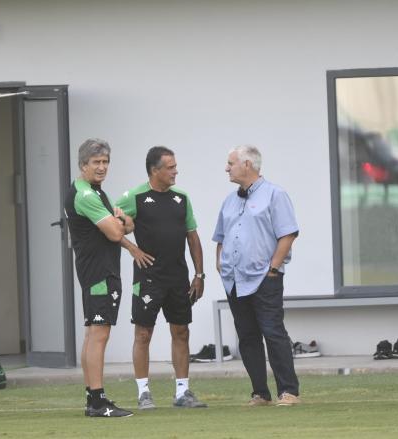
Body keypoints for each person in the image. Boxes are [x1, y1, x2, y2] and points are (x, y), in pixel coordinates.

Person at [116, 146, 207, 410]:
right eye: (170, 167)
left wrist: (199, 274)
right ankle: (144, 393)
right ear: (154, 171)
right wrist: (132, 248)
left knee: (181, 331)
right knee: (143, 333)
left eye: (175, 166)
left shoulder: (182, 198)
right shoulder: (135, 196)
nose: (175, 171)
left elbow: (193, 237)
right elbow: (106, 222)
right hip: (148, 277)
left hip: (178, 277)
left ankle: (183, 392)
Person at [212, 145, 301, 407]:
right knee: (247, 337)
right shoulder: (229, 200)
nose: (227, 168)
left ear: (247, 165)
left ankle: (289, 391)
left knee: (273, 333)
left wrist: (273, 268)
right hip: (234, 280)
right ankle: (260, 393)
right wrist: (220, 264)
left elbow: (288, 234)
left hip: (265, 278)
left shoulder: (275, 195)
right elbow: (220, 237)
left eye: (231, 163)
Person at [64, 138, 135, 417]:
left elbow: (124, 224)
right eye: (96, 162)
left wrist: (121, 221)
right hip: (99, 273)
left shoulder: (93, 191)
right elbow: (118, 232)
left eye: (105, 162)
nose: (102, 167)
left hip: (97, 271)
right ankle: (97, 401)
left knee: (93, 334)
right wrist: (120, 221)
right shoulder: (87, 196)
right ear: (83, 165)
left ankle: (92, 397)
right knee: (98, 335)